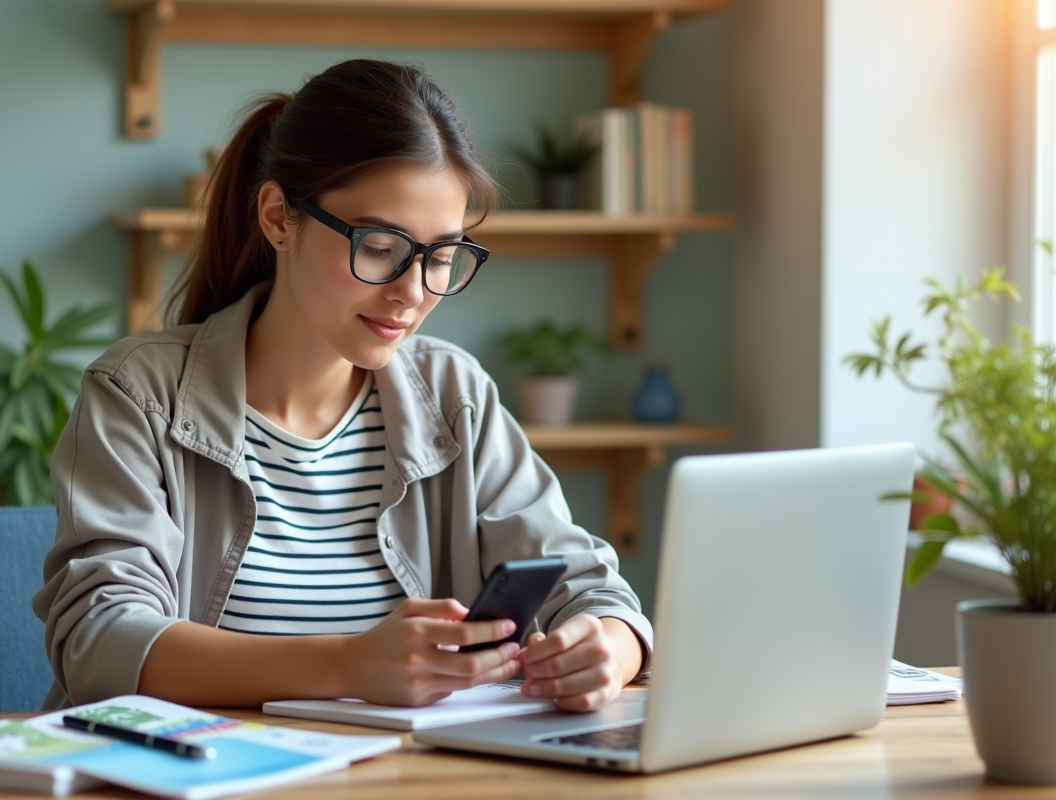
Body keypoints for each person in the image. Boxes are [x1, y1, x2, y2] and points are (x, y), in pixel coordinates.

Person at [33, 59, 652, 713]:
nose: (412, 292)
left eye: (442, 257)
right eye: (380, 247)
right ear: (279, 218)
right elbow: (99, 639)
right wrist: (344, 666)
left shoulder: (454, 394)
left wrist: (609, 649)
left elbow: (596, 593)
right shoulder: (139, 393)